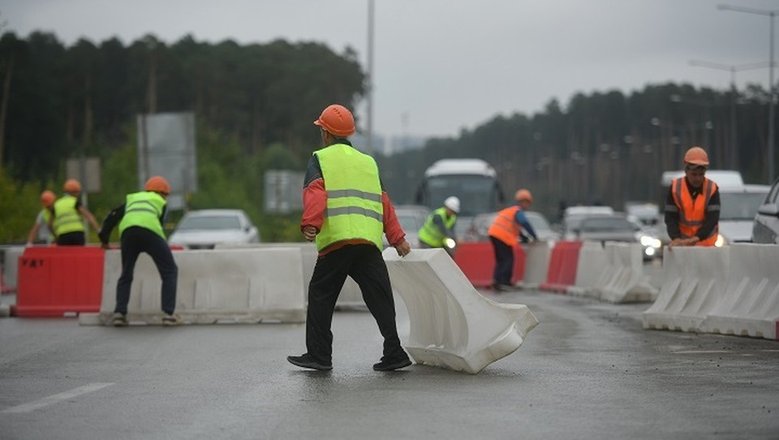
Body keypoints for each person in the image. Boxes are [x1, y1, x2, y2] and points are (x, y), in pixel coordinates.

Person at [287, 104, 412, 372]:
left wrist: (311, 224)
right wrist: (397, 238)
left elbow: (315, 192)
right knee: (380, 296)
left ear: (326, 134)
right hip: (367, 243)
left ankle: (319, 356)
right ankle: (394, 352)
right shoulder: (368, 162)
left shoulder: (320, 158)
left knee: (321, 294)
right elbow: (384, 202)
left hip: (338, 241)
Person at [98, 176, 180, 327]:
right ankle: (168, 314)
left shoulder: (133, 199)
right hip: (150, 232)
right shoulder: (160, 201)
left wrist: (104, 240)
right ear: (163, 193)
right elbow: (159, 224)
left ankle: (119, 314)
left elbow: (112, 217)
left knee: (126, 273)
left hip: (128, 233)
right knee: (169, 270)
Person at [665, 146, 720, 247]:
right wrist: (675, 238)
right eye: (694, 174)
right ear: (686, 171)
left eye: (701, 174)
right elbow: (670, 218)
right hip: (682, 244)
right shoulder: (675, 188)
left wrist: (697, 238)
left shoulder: (712, 189)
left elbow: (712, 219)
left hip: (707, 245)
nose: (698, 178)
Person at [488, 188, 538, 291]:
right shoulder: (518, 211)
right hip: (502, 236)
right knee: (508, 259)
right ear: (522, 202)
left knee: (501, 260)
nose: (527, 205)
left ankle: (497, 281)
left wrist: (524, 238)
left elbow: (516, 229)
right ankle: (504, 282)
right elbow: (524, 222)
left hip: (494, 234)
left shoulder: (511, 211)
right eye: (526, 202)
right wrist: (534, 236)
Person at [50, 179, 100, 246]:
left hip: (62, 236)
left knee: (65, 256)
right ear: (73, 192)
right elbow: (89, 216)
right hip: (77, 234)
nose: (78, 194)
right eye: (77, 192)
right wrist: (98, 231)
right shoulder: (75, 202)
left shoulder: (56, 204)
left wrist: (55, 236)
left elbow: (49, 224)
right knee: (79, 255)